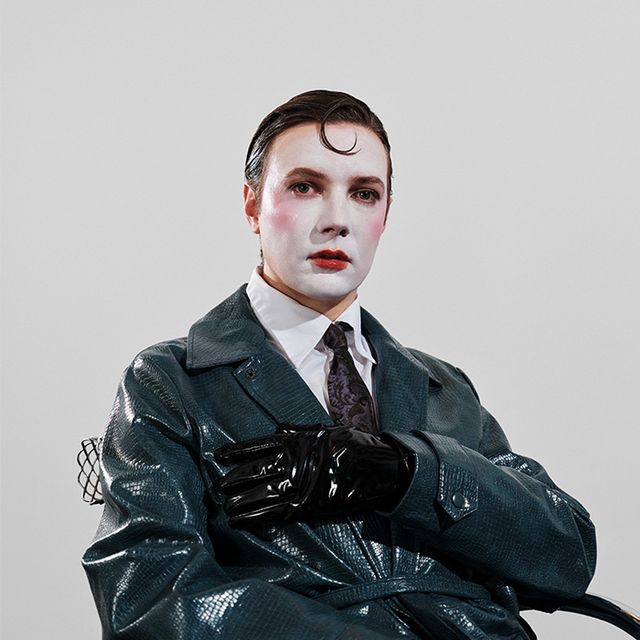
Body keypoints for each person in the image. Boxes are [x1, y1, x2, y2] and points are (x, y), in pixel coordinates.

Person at [82, 89, 596, 639]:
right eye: (305, 187)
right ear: (253, 205)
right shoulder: (172, 382)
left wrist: (407, 471)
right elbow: (151, 598)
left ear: (385, 215)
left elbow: (566, 557)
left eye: (364, 194)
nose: (337, 220)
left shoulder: (443, 387)